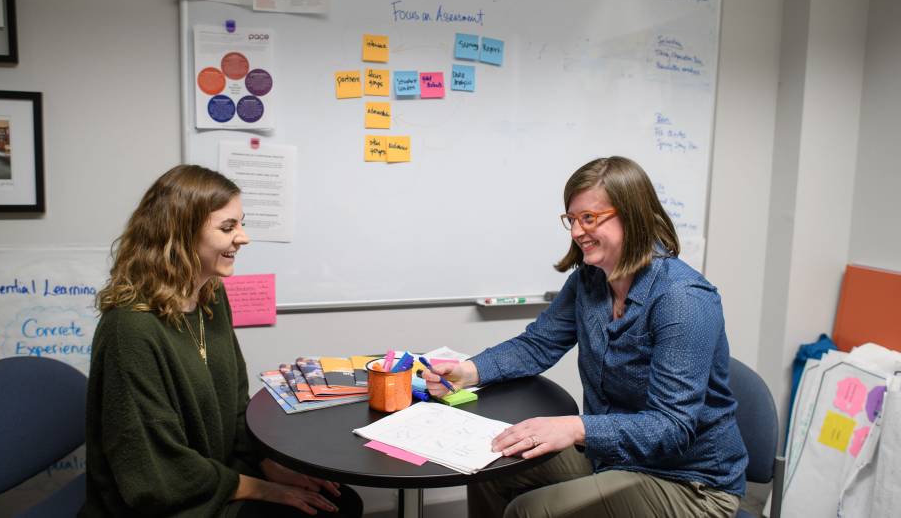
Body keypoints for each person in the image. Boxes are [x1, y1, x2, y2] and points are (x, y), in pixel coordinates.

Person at [422, 156, 747, 518]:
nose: (577, 232)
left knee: (528, 511)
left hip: (688, 482)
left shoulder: (682, 299)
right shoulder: (589, 280)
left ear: (632, 215)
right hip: (611, 456)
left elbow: (672, 427)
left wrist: (576, 427)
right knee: (489, 464)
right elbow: (538, 344)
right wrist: (466, 371)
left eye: (589, 218)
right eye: (572, 220)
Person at [82, 165, 363, 518]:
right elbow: (155, 471)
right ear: (180, 233)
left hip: (215, 475)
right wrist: (263, 488)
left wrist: (267, 464)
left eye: (240, 224)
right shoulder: (130, 331)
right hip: (167, 501)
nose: (242, 237)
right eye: (228, 227)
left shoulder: (210, 297)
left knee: (340, 503)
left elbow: (233, 406)